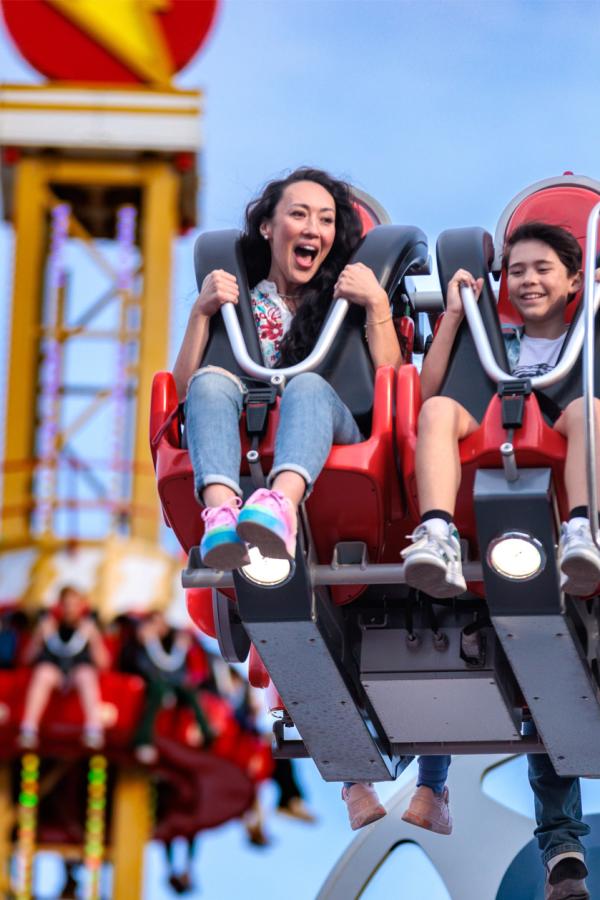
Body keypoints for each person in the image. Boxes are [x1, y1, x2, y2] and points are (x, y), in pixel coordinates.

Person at [401, 221, 595, 898]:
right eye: (516, 271)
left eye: (544, 269)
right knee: (529, 660)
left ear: (576, 281)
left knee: (554, 672)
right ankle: (434, 531)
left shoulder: (586, 338)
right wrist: (456, 317)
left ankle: (583, 525)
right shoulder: (493, 341)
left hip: (559, 485)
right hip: (494, 496)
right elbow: (429, 392)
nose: (529, 281)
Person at [172, 166, 402, 571]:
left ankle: (280, 504)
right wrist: (200, 314)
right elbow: (181, 395)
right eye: (299, 214)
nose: (313, 229)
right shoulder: (240, 304)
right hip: (247, 427)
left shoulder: (344, 300)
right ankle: (222, 515)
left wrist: (376, 303)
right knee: (208, 382)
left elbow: (393, 382)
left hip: (335, 426)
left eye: (325, 220)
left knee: (306, 386)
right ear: (267, 227)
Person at [19, 585, 108, 749]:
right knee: (43, 672)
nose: (70, 609)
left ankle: (93, 731)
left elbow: (104, 664)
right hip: (54, 675)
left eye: (74, 604)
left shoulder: (88, 627)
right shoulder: (49, 626)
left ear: (81, 606)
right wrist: (39, 637)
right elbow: (26, 659)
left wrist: (93, 637)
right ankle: (28, 729)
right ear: (59, 605)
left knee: (86, 673)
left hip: (77, 676)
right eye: (66, 604)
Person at [131, 610, 214, 764]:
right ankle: (143, 740)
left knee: (190, 693)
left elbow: (179, 671)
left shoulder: (174, 640)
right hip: (153, 683)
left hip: (172, 683)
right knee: (158, 692)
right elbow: (139, 665)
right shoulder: (142, 639)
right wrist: (142, 641)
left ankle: (206, 731)